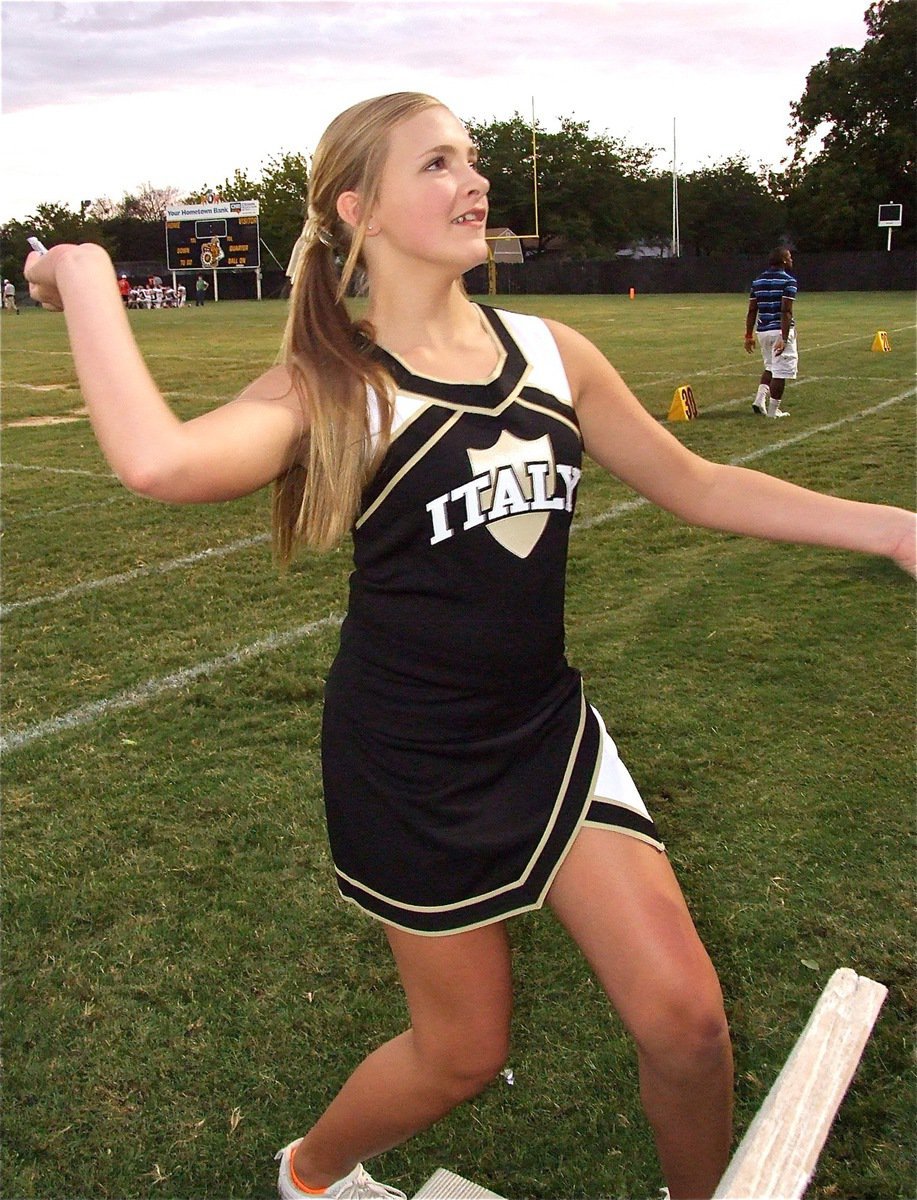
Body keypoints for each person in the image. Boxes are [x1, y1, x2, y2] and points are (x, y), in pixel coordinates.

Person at [24, 93, 915, 1200]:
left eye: (474, 159)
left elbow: (694, 483)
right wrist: (85, 267)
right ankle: (308, 1174)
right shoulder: (335, 382)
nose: (475, 182)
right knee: (460, 1056)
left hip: (546, 735)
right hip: (409, 766)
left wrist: (890, 528)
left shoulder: (552, 352)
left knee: (685, 1025)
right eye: (438, 163)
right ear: (361, 209)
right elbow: (159, 461)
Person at [744, 247, 798, 418]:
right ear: (783, 260)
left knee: (770, 366)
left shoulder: (757, 281)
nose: (791, 260)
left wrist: (748, 335)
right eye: (789, 257)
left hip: (763, 331)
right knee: (780, 372)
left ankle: (759, 400)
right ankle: (774, 411)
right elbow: (786, 311)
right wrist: (784, 336)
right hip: (779, 330)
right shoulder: (788, 281)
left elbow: (752, 310)